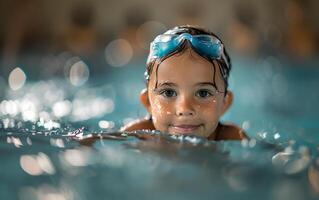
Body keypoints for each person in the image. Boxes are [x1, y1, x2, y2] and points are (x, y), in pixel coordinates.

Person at [121, 25, 247, 140]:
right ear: (148, 101)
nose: (185, 109)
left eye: (203, 93)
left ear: (224, 103)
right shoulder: (138, 135)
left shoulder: (233, 137)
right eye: (169, 93)